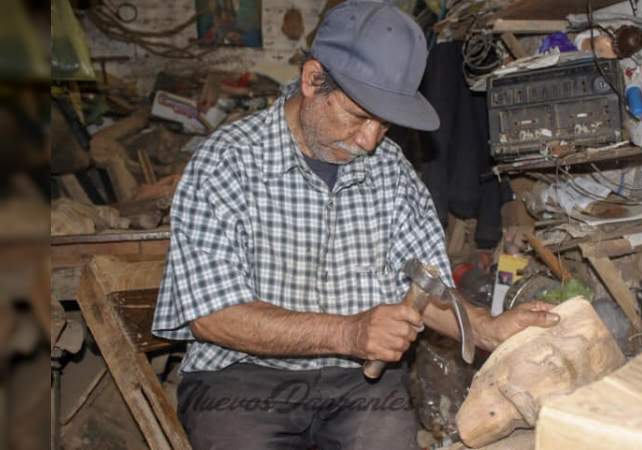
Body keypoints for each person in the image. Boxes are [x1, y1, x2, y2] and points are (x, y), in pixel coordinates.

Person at [153, 1, 560, 448]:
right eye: (358, 116)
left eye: (384, 125)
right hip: (242, 378)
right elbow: (213, 317)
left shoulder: (391, 170)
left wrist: (485, 327)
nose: (369, 141)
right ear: (312, 80)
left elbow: (429, 287)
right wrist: (348, 332)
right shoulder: (225, 162)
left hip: (357, 384)